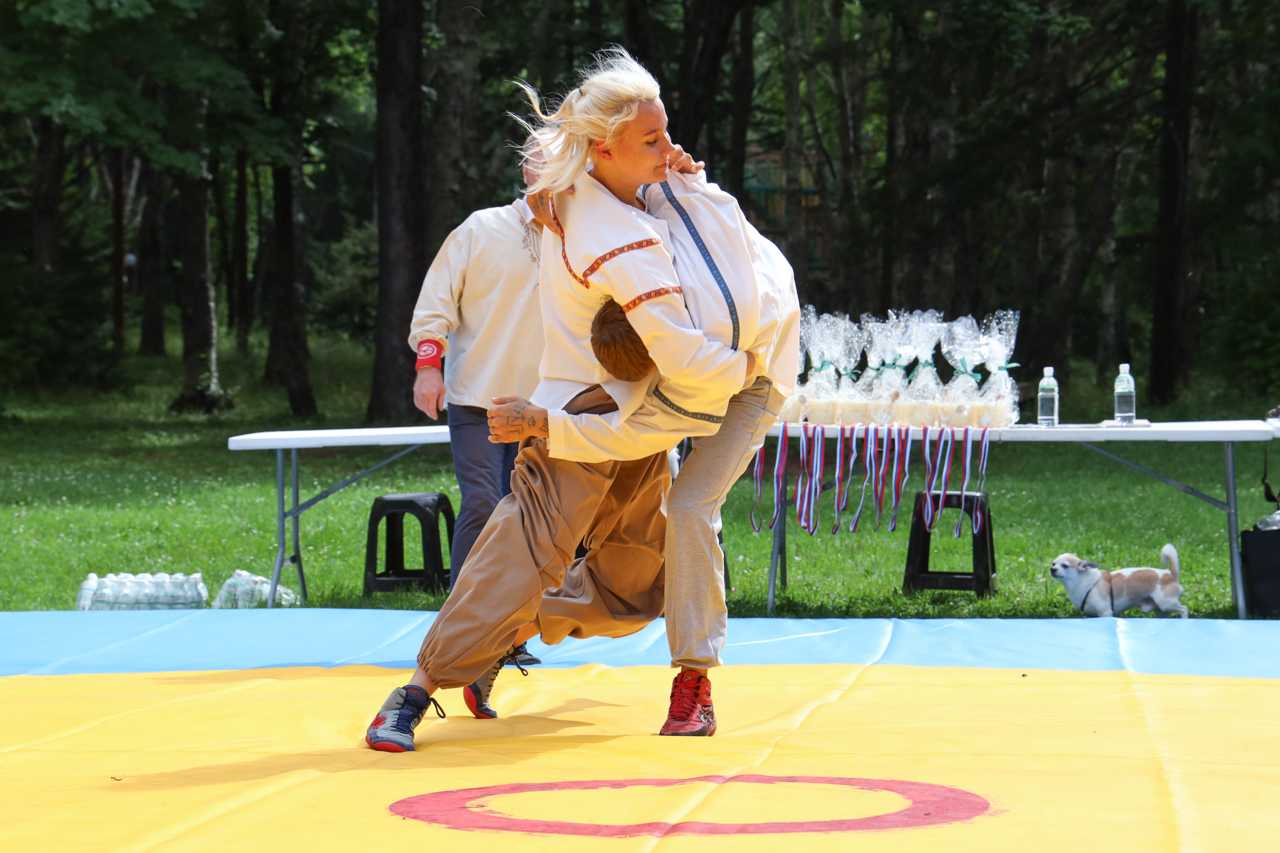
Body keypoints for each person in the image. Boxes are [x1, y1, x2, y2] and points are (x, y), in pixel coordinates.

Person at [364, 49, 778, 752]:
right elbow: (681, 352)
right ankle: (413, 691)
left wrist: (682, 173)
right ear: (603, 147)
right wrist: (751, 370)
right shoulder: (604, 230)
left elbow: (708, 241)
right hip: (577, 420)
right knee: (513, 557)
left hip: (640, 423)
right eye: (652, 139)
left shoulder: (627, 194)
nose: (668, 148)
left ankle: (506, 631)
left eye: (665, 132)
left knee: (636, 590)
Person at [488, 165, 799, 736]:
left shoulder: (720, 294)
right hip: (680, 370)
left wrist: (691, 179)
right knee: (629, 576)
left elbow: (745, 258)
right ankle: (505, 630)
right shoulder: (636, 275)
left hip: (754, 377)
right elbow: (620, 433)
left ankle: (694, 684)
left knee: (688, 508)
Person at [407, 161, 544, 602]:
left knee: (527, 513)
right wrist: (428, 367)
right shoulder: (480, 227)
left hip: (544, 407)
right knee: (485, 502)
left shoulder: (581, 238)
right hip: (476, 397)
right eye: (545, 159)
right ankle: (458, 627)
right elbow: (436, 300)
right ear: (525, 170)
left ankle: (509, 633)